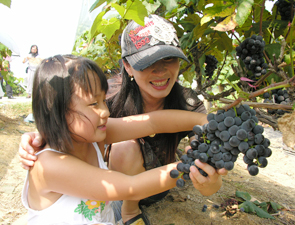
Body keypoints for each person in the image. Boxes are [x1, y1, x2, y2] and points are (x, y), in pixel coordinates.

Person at [19, 15, 227, 224]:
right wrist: (189, 166)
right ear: (58, 113)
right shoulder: (50, 167)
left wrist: (206, 121)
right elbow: (132, 186)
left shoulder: (93, 136)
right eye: (93, 104)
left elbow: (153, 122)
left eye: (102, 100)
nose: (105, 111)